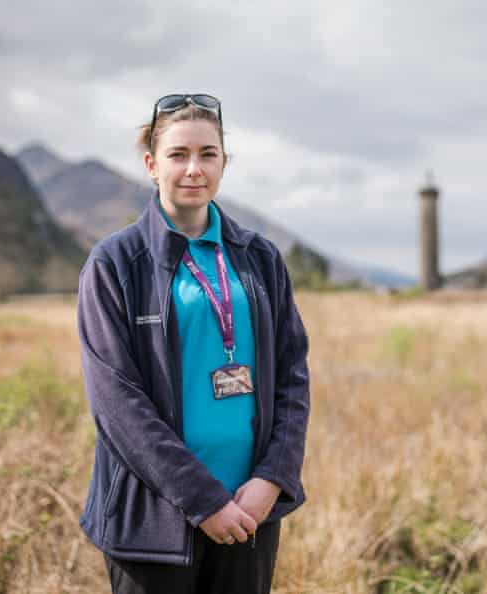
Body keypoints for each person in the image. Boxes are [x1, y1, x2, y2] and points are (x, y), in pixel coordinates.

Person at [75, 93, 311, 594]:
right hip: (154, 522)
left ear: (224, 162)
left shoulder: (259, 259)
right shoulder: (115, 264)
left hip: (251, 511)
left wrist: (273, 478)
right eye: (178, 155)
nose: (193, 169)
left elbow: (293, 375)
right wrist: (203, 501)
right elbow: (117, 405)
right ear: (151, 165)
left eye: (208, 154)